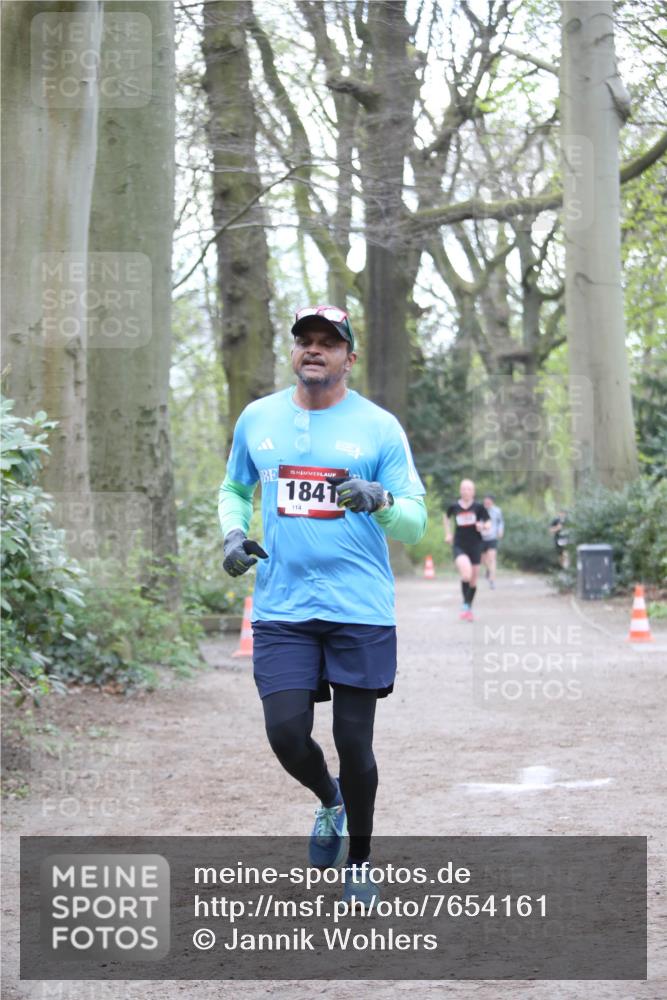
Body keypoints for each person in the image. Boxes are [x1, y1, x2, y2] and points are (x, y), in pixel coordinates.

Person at [217, 304, 427, 908]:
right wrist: (233, 533)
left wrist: (380, 498)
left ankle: (359, 861)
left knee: (355, 743)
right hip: (282, 604)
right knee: (285, 732)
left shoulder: (380, 428)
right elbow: (235, 487)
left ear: (348, 359)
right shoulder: (258, 418)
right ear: (294, 354)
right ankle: (329, 800)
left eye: (328, 343)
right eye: (305, 341)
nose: (314, 350)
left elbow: (413, 523)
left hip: (359, 608)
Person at [443, 479, 490, 621]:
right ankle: (465, 605)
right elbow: (446, 517)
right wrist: (448, 533)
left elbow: (488, 522)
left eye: (469, 489)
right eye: (463, 489)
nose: (466, 491)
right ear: (460, 490)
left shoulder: (479, 507)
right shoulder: (454, 506)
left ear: (473, 491)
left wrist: (483, 526)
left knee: (473, 580)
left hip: (475, 545)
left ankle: (468, 606)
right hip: (459, 544)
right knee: (466, 574)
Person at [481, 493, 504, 589]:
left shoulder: (497, 511)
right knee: (483, 559)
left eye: (488, 501)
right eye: (485, 501)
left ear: (492, 502)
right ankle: (488, 570)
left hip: (492, 537)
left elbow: (501, 522)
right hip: (481, 537)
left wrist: (500, 530)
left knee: (492, 558)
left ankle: (492, 580)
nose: (487, 503)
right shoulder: (479, 510)